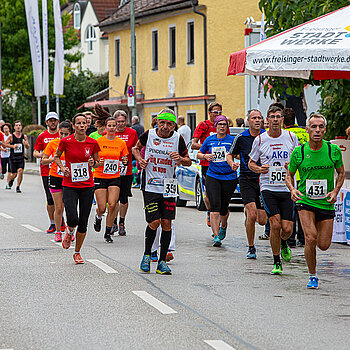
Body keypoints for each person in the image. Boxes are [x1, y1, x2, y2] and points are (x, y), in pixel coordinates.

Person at [286, 114, 344, 289]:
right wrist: (292, 189)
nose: (317, 130)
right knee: (310, 238)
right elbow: (288, 174)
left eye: (320, 127)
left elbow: (341, 173)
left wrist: (335, 191)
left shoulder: (332, 150)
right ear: (307, 129)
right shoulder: (300, 151)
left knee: (324, 244)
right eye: (314, 127)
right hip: (305, 200)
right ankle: (312, 275)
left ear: (325, 130)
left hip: (326, 201)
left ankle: (314, 255)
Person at [133, 109, 191, 274]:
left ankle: (162, 261)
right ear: (157, 123)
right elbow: (135, 149)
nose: (165, 127)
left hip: (169, 185)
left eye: (169, 124)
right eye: (162, 123)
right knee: (154, 222)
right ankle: (146, 255)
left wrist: (180, 159)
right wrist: (140, 160)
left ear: (174, 125)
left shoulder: (177, 139)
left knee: (167, 223)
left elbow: (188, 161)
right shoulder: (149, 134)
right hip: (150, 184)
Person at [248, 106, 299, 275]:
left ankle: (283, 243)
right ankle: (276, 261)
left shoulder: (291, 137)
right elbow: (250, 163)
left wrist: (291, 166)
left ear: (282, 119)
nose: (275, 120)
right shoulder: (260, 140)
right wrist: (260, 169)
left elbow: (299, 159)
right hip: (268, 188)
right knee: (275, 224)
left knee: (287, 230)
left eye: (278, 116)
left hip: (288, 188)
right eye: (272, 117)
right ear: (267, 120)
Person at [54, 113, 100, 264]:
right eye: (78, 123)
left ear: (87, 125)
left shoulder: (92, 142)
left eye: (84, 123)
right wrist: (62, 168)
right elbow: (56, 157)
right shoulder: (66, 141)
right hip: (70, 185)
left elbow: (97, 163)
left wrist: (94, 162)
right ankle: (69, 231)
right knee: (73, 217)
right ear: (73, 126)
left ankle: (77, 252)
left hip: (87, 185)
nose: (81, 126)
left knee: (83, 221)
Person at [227, 109, 267, 258]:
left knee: (262, 220)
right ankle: (251, 247)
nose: (257, 120)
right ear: (248, 121)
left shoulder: (266, 136)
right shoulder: (241, 137)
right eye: (254, 118)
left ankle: (248, 213)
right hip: (246, 179)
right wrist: (231, 163)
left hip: (263, 180)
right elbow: (230, 154)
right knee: (252, 215)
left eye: (259, 118)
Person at [197, 115, 238, 246]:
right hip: (213, 175)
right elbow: (198, 153)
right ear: (216, 126)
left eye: (224, 125)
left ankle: (224, 225)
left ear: (227, 127)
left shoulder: (232, 140)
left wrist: (234, 161)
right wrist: (205, 156)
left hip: (229, 176)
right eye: (219, 124)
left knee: (224, 207)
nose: (222, 127)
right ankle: (216, 236)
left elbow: (238, 154)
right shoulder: (210, 139)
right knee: (214, 205)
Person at [93, 117, 128, 243]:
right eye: (110, 125)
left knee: (112, 205)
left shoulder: (121, 143)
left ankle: (108, 233)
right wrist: (98, 162)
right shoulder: (98, 141)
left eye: (114, 125)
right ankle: (98, 216)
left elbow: (125, 158)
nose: (112, 127)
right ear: (105, 127)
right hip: (100, 176)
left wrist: (125, 161)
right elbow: (93, 160)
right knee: (102, 207)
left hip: (114, 177)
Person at [191, 102, 227, 227]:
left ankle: (217, 217)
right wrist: (208, 147)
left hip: (222, 165)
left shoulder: (223, 125)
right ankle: (210, 212)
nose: (217, 115)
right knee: (208, 194)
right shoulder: (203, 125)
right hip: (207, 163)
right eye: (215, 112)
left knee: (221, 195)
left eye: (220, 112)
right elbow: (193, 144)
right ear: (209, 113)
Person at [42, 121, 74, 242]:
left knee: (69, 207)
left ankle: (69, 231)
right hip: (55, 177)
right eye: (61, 133)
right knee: (59, 207)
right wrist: (54, 159)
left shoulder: (73, 144)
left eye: (66, 134)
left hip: (69, 178)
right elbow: (43, 161)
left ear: (70, 133)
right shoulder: (53, 143)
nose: (63, 136)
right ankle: (58, 231)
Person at [283, 107, 309, 247]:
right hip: (305, 174)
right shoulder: (305, 132)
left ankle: (291, 239)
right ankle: (303, 238)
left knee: (292, 207)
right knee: (303, 206)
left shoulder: (286, 134)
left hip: (292, 174)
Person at [111, 110, 138, 236]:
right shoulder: (110, 133)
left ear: (126, 122)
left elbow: (136, 149)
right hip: (111, 171)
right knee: (113, 199)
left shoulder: (132, 133)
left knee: (123, 198)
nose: (120, 124)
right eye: (118, 122)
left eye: (122, 122)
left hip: (126, 171)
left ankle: (122, 222)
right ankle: (113, 222)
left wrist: (138, 163)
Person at [34, 112, 60, 233]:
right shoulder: (42, 136)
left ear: (58, 122)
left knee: (62, 199)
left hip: (61, 171)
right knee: (50, 198)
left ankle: (61, 219)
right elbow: (35, 153)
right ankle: (53, 223)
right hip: (47, 171)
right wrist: (46, 155)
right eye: (50, 120)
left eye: (55, 120)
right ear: (46, 122)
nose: (53, 122)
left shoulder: (62, 134)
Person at [4, 120, 30, 193]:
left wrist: (25, 144)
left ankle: (18, 186)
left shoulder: (24, 136)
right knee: (14, 174)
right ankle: (12, 180)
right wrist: (12, 146)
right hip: (13, 158)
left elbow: (28, 147)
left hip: (21, 157)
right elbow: (5, 144)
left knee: (20, 171)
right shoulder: (11, 136)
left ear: (21, 127)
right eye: (17, 125)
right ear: (14, 127)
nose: (18, 127)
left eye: (19, 125)